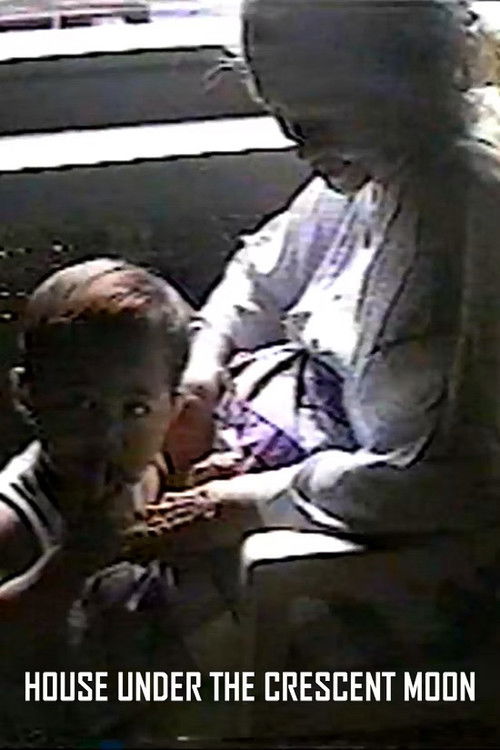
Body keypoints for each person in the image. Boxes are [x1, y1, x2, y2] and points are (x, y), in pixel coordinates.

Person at [146, 0, 500, 548]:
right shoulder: (374, 164)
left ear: (394, 87)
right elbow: (260, 275)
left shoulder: (459, 203)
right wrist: (201, 372)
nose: (298, 147)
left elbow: (447, 481)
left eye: (311, 124)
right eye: (282, 119)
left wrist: (249, 501)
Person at [0, 257, 207, 742]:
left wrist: (191, 485)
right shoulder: (14, 519)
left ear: (172, 410)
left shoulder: (142, 472)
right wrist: (69, 563)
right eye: (81, 403)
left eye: (135, 409)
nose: (108, 433)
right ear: (26, 395)